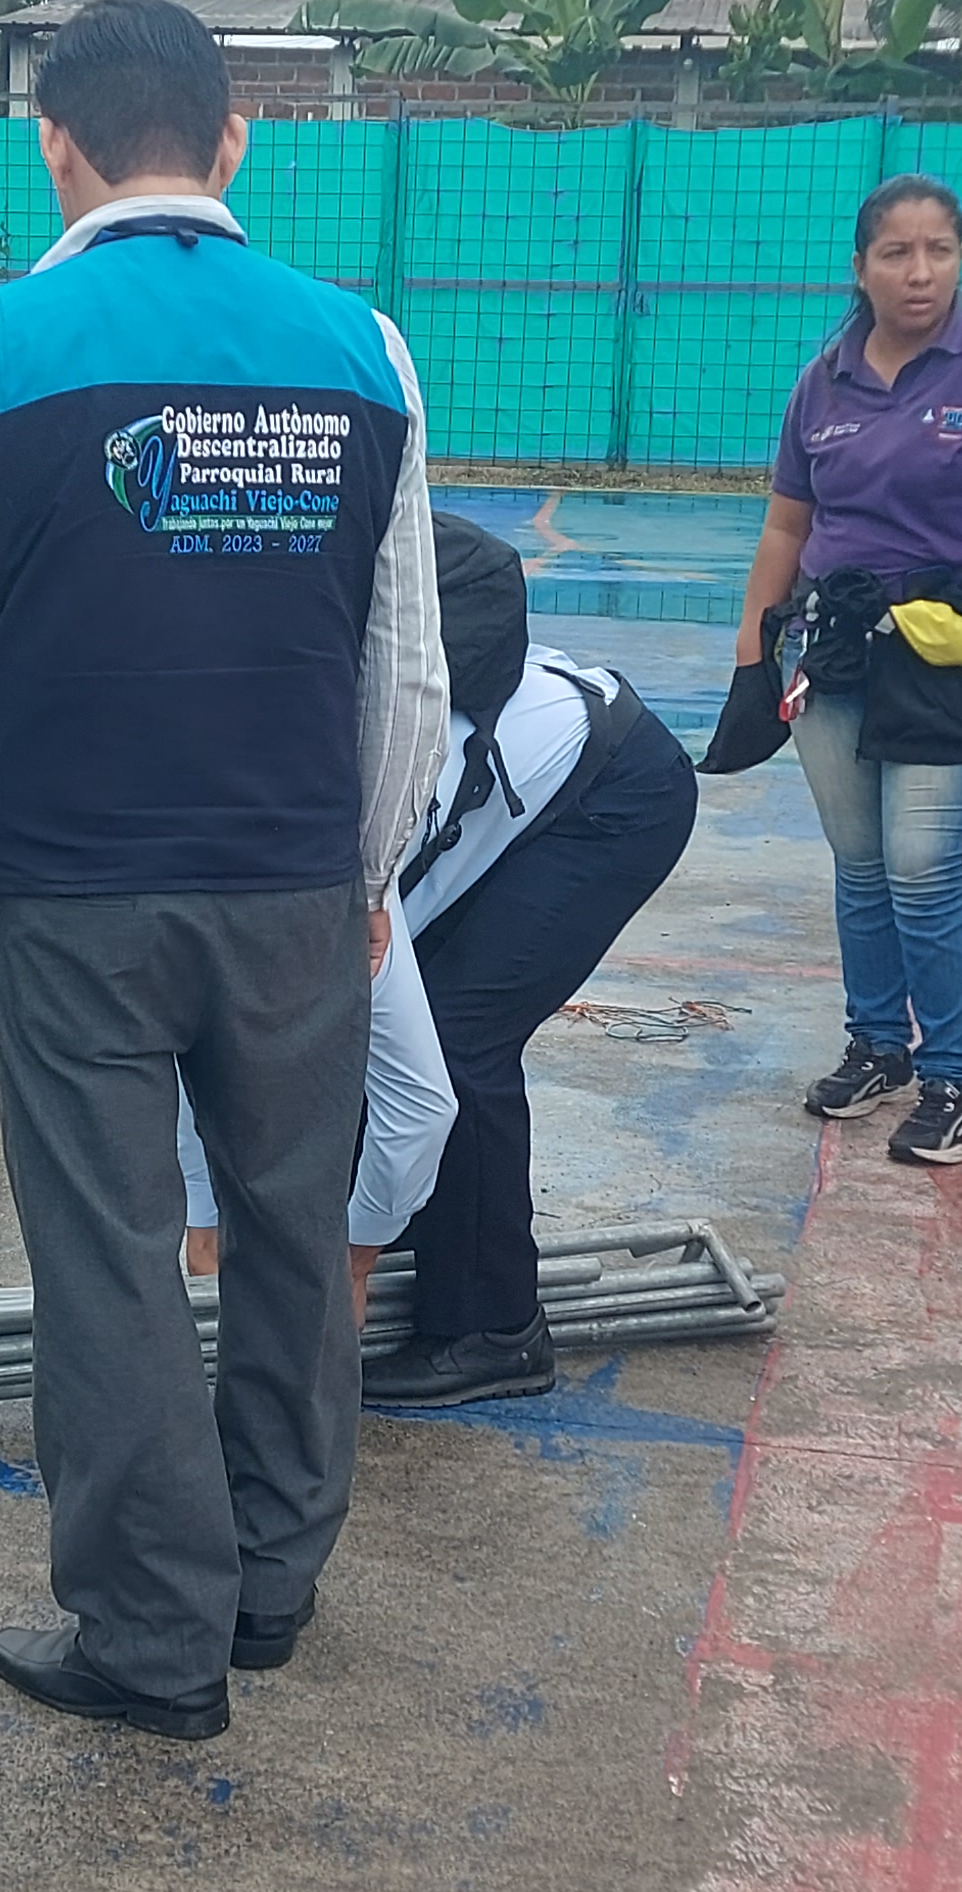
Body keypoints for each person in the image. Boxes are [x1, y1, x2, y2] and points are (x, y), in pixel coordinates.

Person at [0, 0, 447, 1742]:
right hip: (290, 888)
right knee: (291, 1225)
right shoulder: (366, 351)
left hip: (74, 896)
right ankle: (268, 1577)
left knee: (111, 1253)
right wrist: (362, 877)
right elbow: (404, 670)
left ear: (56, 145)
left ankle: (148, 1632)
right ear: (234, 139)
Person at [168, 513, 697, 1411]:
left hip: (614, 795)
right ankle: (429, 1224)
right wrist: (205, 1213)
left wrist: (353, 1256)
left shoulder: (354, 831)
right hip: (513, 765)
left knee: (455, 1040)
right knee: (347, 1023)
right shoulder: (220, 815)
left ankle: (493, 1331)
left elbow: (419, 1092)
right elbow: (202, 1030)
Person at [734, 174, 962, 1172]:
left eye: (939, 250)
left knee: (923, 867)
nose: (919, 272)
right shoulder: (824, 381)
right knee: (860, 864)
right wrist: (754, 651)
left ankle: (953, 1079)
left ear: (960, 259)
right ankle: (878, 1044)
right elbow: (787, 525)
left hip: (953, 660)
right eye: (896, 252)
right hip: (838, 658)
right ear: (861, 268)